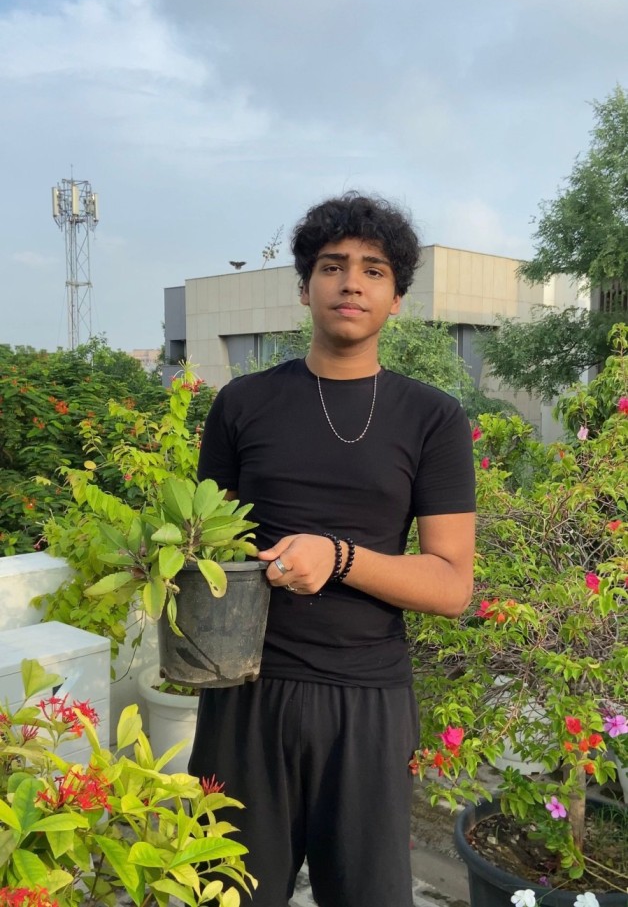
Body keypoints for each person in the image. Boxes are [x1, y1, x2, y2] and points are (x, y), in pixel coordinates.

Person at [189, 192, 476, 907]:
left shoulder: (432, 417)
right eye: (332, 265)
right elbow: (207, 543)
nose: (352, 281)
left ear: (397, 298)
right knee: (224, 896)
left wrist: (338, 555)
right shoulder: (243, 405)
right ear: (305, 286)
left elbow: (450, 584)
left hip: (368, 703)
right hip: (246, 697)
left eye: (374, 270)